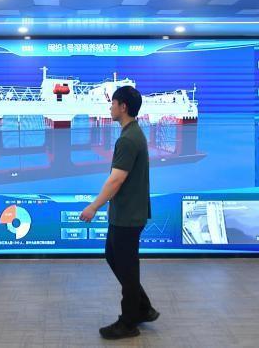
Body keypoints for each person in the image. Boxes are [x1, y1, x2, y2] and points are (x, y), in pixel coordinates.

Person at [80, 85, 159, 340]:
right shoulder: (132, 133)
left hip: (128, 215)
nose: (110, 107)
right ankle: (143, 307)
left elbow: (116, 179)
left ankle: (128, 323)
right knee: (114, 256)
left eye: (113, 103)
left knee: (127, 266)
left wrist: (93, 206)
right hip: (126, 212)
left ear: (123, 107)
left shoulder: (128, 139)